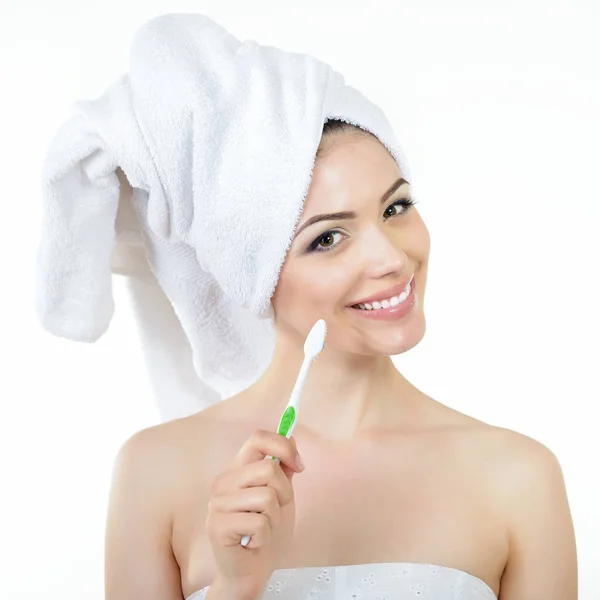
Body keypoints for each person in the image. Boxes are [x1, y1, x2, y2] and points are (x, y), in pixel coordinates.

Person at [104, 119, 578, 599]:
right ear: (253, 275)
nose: (392, 258)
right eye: (328, 238)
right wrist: (236, 586)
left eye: (396, 208)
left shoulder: (519, 477)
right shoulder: (155, 472)